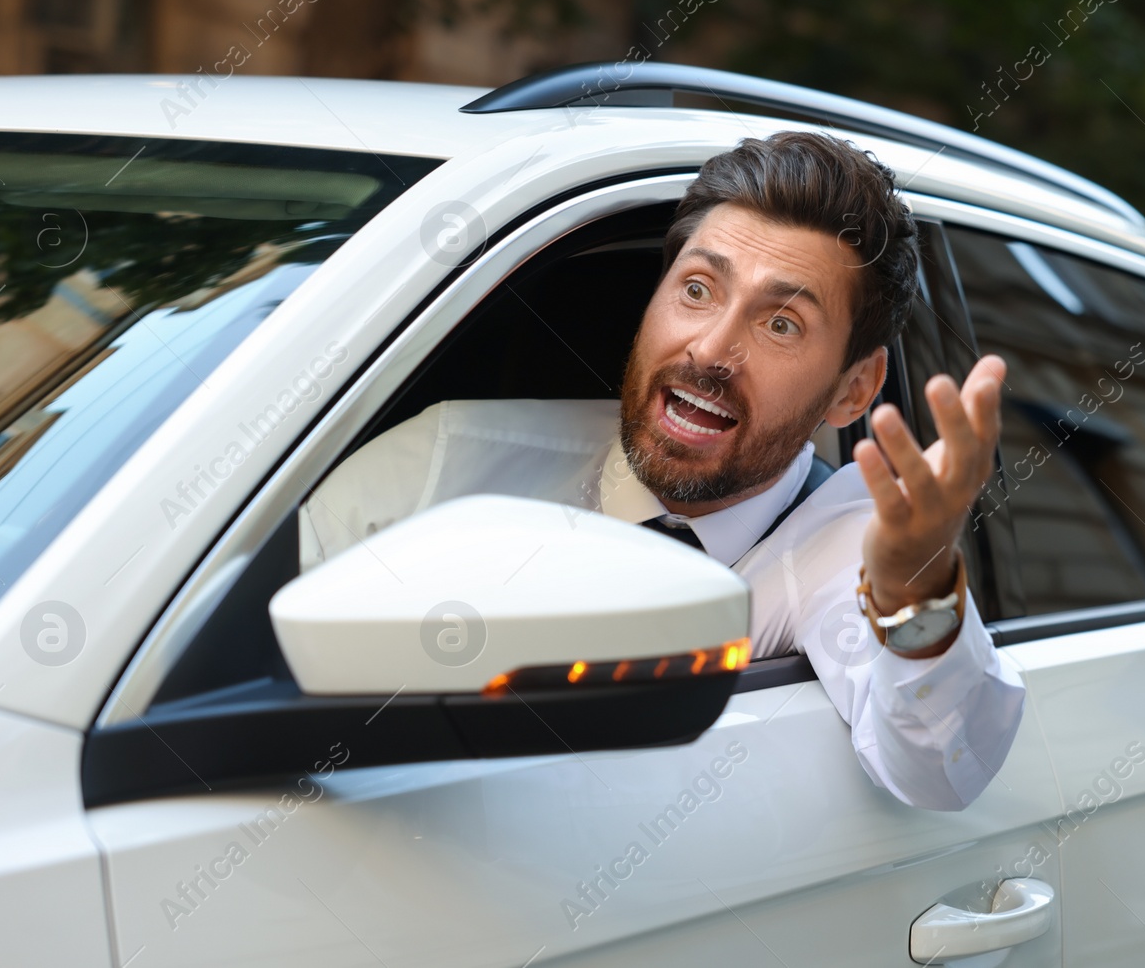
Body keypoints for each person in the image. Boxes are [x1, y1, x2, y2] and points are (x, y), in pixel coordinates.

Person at [298, 131, 1025, 809]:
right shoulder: (442, 461)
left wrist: (916, 591)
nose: (710, 350)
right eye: (698, 289)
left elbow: (944, 769)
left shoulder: (843, 542)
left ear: (853, 391)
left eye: (781, 324)